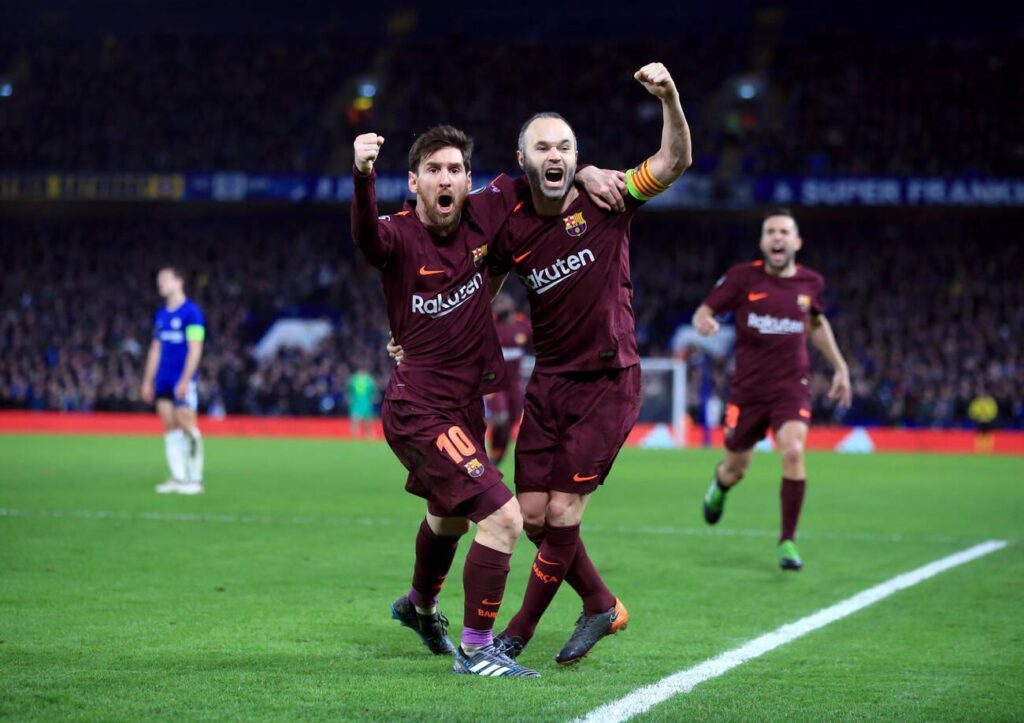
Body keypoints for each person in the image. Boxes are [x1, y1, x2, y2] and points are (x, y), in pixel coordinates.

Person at [352, 125, 621, 678]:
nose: (445, 179)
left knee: (448, 518)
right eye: (433, 170)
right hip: (418, 408)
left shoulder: (488, 209)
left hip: (466, 405)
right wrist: (362, 176)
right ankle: (477, 650)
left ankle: (419, 607)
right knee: (504, 518)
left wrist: (587, 173)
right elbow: (364, 238)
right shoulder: (397, 235)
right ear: (414, 182)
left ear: (469, 181)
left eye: (454, 170)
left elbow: (542, 179)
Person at [487, 62, 692, 665]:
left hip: (608, 379)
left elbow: (673, 162)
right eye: (543, 146)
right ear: (522, 158)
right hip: (548, 381)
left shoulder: (608, 196)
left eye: (566, 146)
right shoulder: (512, 224)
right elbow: (484, 289)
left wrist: (670, 98)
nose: (555, 154)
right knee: (530, 516)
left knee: (563, 512)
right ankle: (600, 604)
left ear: (578, 155)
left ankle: (515, 635)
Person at [692, 209, 852, 570]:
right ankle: (719, 486)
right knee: (735, 469)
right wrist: (704, 321)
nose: (777, 237)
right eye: (771, 232)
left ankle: (788, 542)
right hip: (747, 391)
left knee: (793, 451)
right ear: (763, 241)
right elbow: (704, 310)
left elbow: (816, 322)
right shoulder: (742, 278)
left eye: (784, 232)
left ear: (796, 242)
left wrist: (840, 366)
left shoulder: (811, 284)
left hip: (791, 387)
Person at [140, 266, 206, 495]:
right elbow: (155, 349)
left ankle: (195, 480)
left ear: (180, 282)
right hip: (163, 379)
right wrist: (148, 381)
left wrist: (186, 379)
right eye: (159, 280)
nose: (161, 284)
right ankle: (178, 477)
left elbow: (195, 348)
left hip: (182, 378)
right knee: (169, 426)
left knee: (187, 424)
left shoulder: (192, 312)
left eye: (166, 279)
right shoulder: (161, 315)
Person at [486, 293, 531, 465]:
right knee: (500, 419)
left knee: (510, 423)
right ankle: (492, 456)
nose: (498, 305)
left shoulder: (523, 326)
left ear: (512, 304)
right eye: (496, 302)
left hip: (515, 384)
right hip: (495, 383)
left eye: (502, 301)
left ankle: (496, 457)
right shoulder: (490, 327)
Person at [346, 367, 378, 439]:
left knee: (368, 420)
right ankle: (355, 435)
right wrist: (349, 397)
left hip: (366, 402)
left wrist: (373, 396)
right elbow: (348, 389)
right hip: (356, 402)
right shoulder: (353, 379)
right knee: (355, 419)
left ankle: (369, 434)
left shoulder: (368, 380)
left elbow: (373, 390)